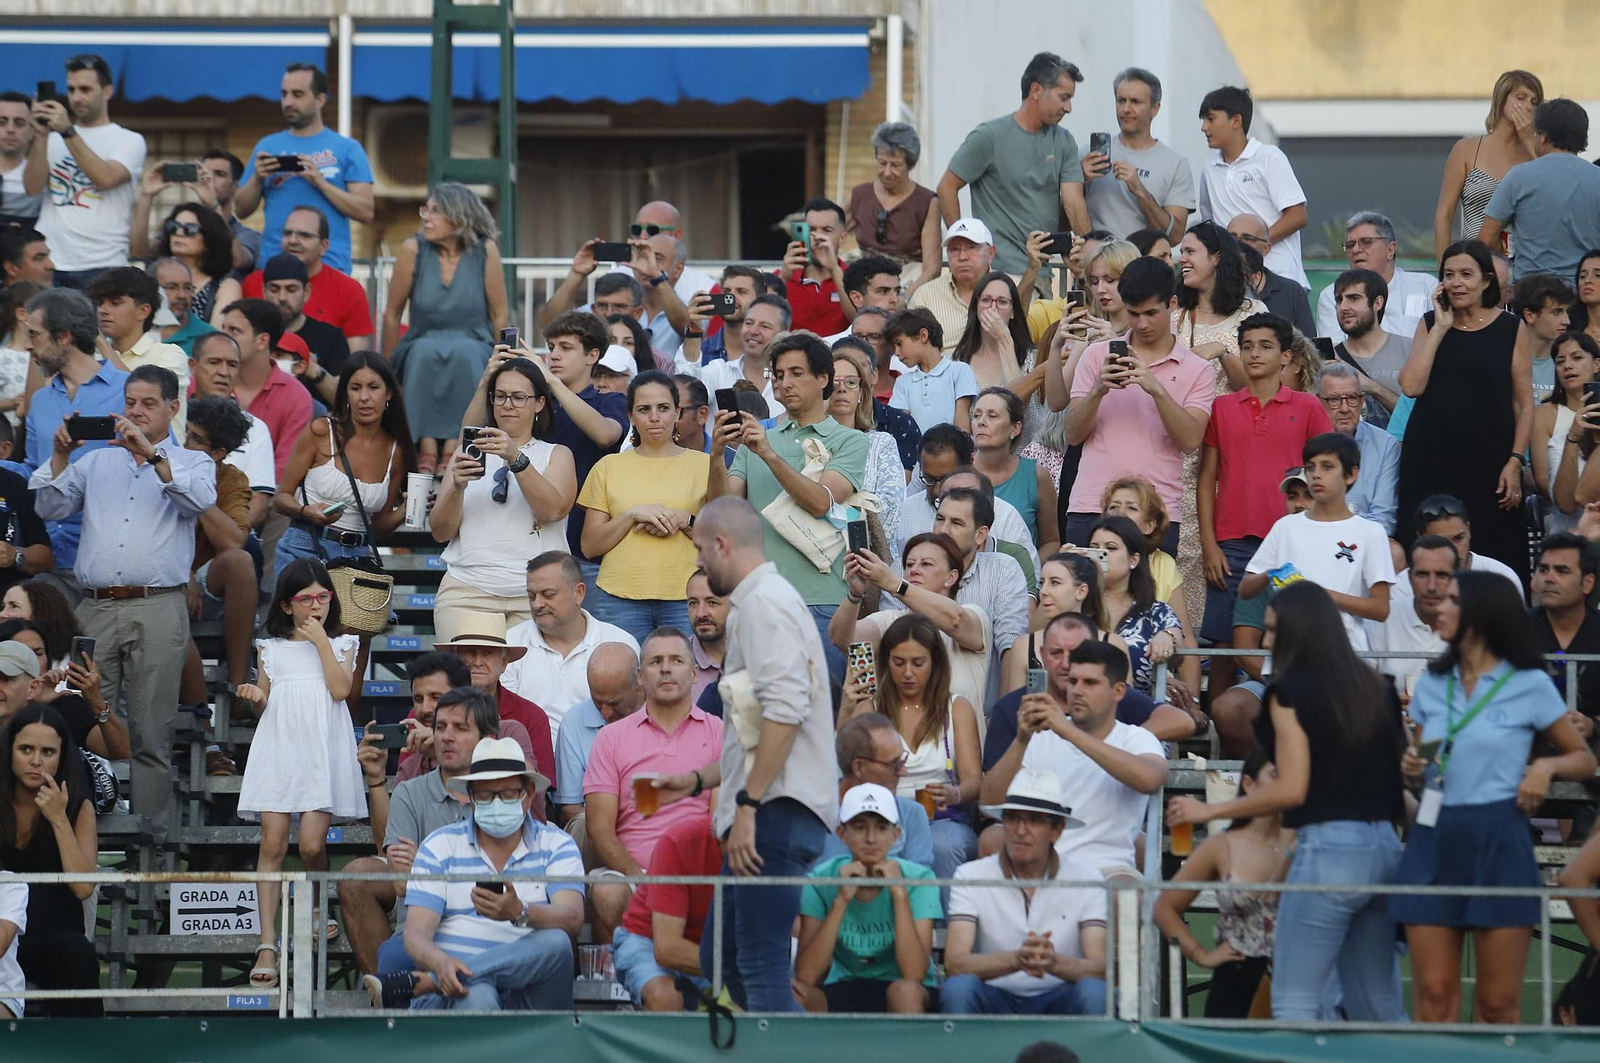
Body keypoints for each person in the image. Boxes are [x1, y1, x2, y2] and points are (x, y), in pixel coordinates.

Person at [1167, 580, 1408, 1021]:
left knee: (1294, 1003)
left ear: (1303, 633)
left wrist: (1211, 810)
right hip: (1387, 852)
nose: (1265, 640)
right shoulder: (1380, 687)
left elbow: (1292, 788)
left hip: (1330, 852)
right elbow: (1398, 786)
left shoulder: (1288, 692)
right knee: (1379, 1006)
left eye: (1275, 630)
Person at [652, 496, 837, 1013]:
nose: (697, 565)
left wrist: (750, 806)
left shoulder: (762, 605)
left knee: (757, 966)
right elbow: (761, 730)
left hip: (774, 812)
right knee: (723, 960)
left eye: (697, 552)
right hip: (769, 807)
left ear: (722, 545)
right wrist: (697, 781)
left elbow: (785, 714)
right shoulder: (763, 603)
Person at [1396, 571, 1594, 1024]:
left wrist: (1544, 767)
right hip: (1434, 834)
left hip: (1499, 836)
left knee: (1498, 1003)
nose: (1437, 606)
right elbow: (1428, 753)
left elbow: (1581, 758)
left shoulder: (1528, 682)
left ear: (1482, 615)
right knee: (1433, 995)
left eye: (1450, 600)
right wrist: (1414, 761)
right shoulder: (1431, 681)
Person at [30, 364, 215, 833]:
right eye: (130, 402)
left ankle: (150, 843)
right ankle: (76, 828)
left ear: (174, 408)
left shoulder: (194, 462)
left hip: (158, 604)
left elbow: (197, 502)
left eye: (149, 403)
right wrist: (58, 455)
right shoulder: (95, 461)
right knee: (75, 718)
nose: (136, 411)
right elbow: (48, 506)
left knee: (153, 731)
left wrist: (152, 456)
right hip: (92, 607)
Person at [231, 558, 363, 987]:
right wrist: (254, 695)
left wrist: (322, 642)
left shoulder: (344, 644)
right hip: (280, 748)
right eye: (305, 599)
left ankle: (316, 904)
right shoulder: (270, 647)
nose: (316, 605)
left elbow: (341, 690)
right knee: (272, 843)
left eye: (323, 596)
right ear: (287, 606)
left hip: (322, 751)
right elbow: (264, 702)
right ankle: (267, 942)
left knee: (309, 846)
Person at [708, 333, 868, 681]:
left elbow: (821, 502)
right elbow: (722, 512)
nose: (785, 383)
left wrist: (767, 453)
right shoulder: (756, 441)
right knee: (758, 717)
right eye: (779, 375)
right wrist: (717, 455)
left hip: (823, 603)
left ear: (823, 379)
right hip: (759, 602)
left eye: (796, 373)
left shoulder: (851, 440)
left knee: (828, 716)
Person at [401, 736, 584, 1012]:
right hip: (455, 994)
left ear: (529, 794)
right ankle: (447, 979)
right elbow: (415, 934)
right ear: (471, 798)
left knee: (557, 942)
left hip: (533, 994)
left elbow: (572, 918)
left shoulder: (556, 844)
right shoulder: (440, 846)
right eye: (486, 796)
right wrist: (441, 964)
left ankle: (431, 981)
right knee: (478, 995)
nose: (497, 804)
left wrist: (520, 912)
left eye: (508, 793)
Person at [1199, 314, 1331, 679]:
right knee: (1227, 646)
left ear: (1287, 356)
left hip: (1294, 540)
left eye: (1265, 346)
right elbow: (1206, 478)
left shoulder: (1308, 407)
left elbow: (1325, 475)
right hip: (1233, 545)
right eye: (1246, 346)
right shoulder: (1221, 408)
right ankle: (1220, 730)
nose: (1254, 354)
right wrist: (1210, 545)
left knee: (1294, 633)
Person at [1397, 239, 1533, 576]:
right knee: (1431, 551)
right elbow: (1411, 386)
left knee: (1495, 551)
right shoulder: (1431, 323)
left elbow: (1525, 404)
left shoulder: (1511, 328)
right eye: (1449, 274)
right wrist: (1441, 328)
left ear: (1486, 280)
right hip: (1431, 460)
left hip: (1492, 462)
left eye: (1466, 274)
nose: (1457, 282)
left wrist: (1516, 461)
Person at [1064, 257, 1215, 553]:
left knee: (1151, 599)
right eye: (1133, 314)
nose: (1142, 324)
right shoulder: (1096, 356)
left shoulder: (1198, 369)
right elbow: (1072, 435)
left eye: (1151, 313)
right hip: (1091, 505)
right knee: (1085, 597)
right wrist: (1098, 389)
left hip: (1155, 513)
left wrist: (1155, 388)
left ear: (1172, 303)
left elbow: (1190, 441)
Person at [582, 627, 723, 942]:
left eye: (676, 660)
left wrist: (682, 882)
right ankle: (617, 984)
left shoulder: (720, 733)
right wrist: (643, 881)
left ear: (696, 673)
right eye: (656, 661)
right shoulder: (610, 738)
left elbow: (718, 823)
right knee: (606, 891)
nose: (666, 669)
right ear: (640, 678)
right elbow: (599, 829)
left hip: (698, 874)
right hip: (633, 875)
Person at [982, 638, 1168, 875]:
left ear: (1119, 691)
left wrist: (1069, 731)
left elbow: (1151, 779)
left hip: (1108, 868)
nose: (1077, 691)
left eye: (1089, 683)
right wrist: (1020, 740)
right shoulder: (1039, 736)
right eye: (1073, 681)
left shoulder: (1134, 738)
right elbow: (989, 803)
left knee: (1125, 893)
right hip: (1038, 866)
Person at [347, 681, 487, 990]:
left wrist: (422, 863)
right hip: (421, 932)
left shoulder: (499, 794)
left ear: (486, 740)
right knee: (393, 956)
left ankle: (429, 984)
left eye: (460, 728)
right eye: (440, 727)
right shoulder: (408, 793)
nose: (446, 737)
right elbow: (400, 883)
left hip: (484, 928)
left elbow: (498, 883)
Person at [467, 313, 627, 575]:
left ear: (592, 356)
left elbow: (605, 435)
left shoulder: (609, 401)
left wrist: (549, 379)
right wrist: (488, 379)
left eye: (566, 348)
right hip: (527, 540)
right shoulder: (532, 401)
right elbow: (470, 434)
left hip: (585, 543)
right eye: (551, 347)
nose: (554, 355)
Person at [941, 768, 1108, 1016]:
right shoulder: (970, 876)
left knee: (1095, 992)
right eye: (1013, 818)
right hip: (994, 996)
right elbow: (954, 963)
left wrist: (1055, 964)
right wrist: (1017, 959)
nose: (1020, 830)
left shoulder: (1088, 879)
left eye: (1034, 820)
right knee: (958, 988)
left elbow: (1101, 967)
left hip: (1060, 996)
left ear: (1057, 830)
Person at [431, 356, 574, 641]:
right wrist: (457, 487)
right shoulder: (467, 451)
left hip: (535, 595)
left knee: (529, 686)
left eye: (519, 397)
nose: (508, 404)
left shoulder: (556, 454)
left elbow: (553, 511)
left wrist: (515, 458)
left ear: (539, 404)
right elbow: (440, 532)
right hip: (467, 590)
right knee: (467, 684)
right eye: (501, 396)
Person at [836, 611, 981, 881]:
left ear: (935, 663)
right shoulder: (871, 705)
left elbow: (974, 781)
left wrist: (954, 794)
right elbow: (840, 765)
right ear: (886, 662)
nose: (908, 673)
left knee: (943, 846)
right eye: (899, 663)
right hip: (879, 817)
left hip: (941, 817)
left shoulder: (956, 707)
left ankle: (942, 924)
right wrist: (846, 709)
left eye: (918, 663)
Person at [578, 371, 719, 643]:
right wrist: (631, 515)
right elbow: (589, 546)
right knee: (622, 679)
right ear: (631, 416)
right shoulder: (608, 467)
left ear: (677, 413)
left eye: (663, 408)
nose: (654, 417)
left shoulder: (706, 465)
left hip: (687, 596)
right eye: (644, 409)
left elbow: (721, 541)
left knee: (686, 678)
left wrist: (685, 521)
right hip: (618, 597)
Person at [1153, 749, 1291, 1018]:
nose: (1286, 786)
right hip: (1237, 976)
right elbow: (1164, 908)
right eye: (1276, 776)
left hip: (1300, 979)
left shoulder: (1307, 841)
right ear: (1249, 784)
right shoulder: (1222, 845)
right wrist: (1201, 955)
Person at [384, 183, 508, 472]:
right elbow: (392, 314)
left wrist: (506, 362)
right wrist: (385, 368)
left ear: (459, 217)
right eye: (424, 210)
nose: (425, 217)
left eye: (435, 211)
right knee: (425, 352)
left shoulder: (485, 251)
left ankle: (456, 443)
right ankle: (425, 444)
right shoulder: (412, 249)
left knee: (466, 354)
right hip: (421, 340)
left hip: (474, 340)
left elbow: (500, 316)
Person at [938, 53, 1089, 276]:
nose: (1069, 108)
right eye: (1063, 98)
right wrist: (966, 246)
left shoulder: (1065, 141)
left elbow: (1074, 203)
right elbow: (946, 188)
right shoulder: (989, 136)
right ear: (1036, 91)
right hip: (997, 274)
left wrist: (1095, 256)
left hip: (1041, 273)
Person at [796, 782, 940, 1014]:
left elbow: (914, 973)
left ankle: (907, 1051)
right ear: (842, 834)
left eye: (882, 828)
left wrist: (899, 895)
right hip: (843, 984)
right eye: (860, 827)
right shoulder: (820, 879)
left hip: (900, 987)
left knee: (905, 992)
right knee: (797, 994)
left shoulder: (920, 879)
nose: (871, 838)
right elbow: (807, 975)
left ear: (896, 835)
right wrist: (841, 901)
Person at [1240, 432, 1394, 648]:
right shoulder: (1286, 527)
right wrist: (1272, 572)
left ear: (1350, 475)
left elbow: (1380, 608)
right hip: (1288, 654)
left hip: (1344, 653)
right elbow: (1246, 589)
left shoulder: (1370, 532)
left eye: (1327, 467)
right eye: (1310, 467)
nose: (1316, 475)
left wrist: (1320, 596)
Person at [271, 352, 413, 581]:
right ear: (345, 394)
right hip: (305, 548)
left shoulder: (396, 451)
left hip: (357, 558)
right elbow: (281, 498)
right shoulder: (320, 430)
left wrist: (405, 510)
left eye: (373, 387)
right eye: (355, 388)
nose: (364, 397)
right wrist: (306, 511)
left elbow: (376, 526)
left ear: (389, 393)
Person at [0, 704, 100, 1016]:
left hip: (54, 936)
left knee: (77, 956)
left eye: (47, 752)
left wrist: (58, 819)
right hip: (2, 931)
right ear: (9, 751)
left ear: (62, 757)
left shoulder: (78, 808)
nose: (35, 761)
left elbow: (83, 888)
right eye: (25, 749)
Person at [234, 63, 374, 274]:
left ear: (320, 100)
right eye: (284, 94)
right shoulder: (266, 146)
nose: (288, 102)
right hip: (274, 269)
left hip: (330, 268)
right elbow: (241, 210)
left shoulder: (347, 149)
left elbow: (366, 211)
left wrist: (320, 183)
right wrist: (257, 178)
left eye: (297, 94)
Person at [833, 531, 993, 711]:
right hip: (896, 737)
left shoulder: (974, 615)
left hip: (958, 736)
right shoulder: (891, 620)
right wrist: (855, 594)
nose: (914, 570)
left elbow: (956, 620)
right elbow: (846, 642)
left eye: (926, 564)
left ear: (951, 577)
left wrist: (894, 584)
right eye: (909, 565)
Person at [22, 54, 146, 287]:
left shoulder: (129, 140)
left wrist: (67, 131)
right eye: (71, 89)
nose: (76, 98)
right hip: (52, 260)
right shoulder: (53, 138)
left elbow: (106, 178)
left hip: (104, 263)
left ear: (107, 91)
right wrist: (40, 136)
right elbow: (32, 188)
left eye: (85, 89)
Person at [500, 551, 640, 740]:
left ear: (579, 593)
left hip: (599, 758)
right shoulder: (511, 644)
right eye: (531, 596)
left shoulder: (620, 645)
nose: (537, 604)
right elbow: (507, 722)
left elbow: (631, 719)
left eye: (548, 594)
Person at [181, 395, 263, 695]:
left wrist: (192, 486)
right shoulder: (157, 461)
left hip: (204, 584)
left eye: (195, 439)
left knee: (240, 561)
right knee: (167, 601)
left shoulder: (230, 479)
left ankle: (238, 686)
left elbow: (233, 541)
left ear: (217, 453)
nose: (184, 442)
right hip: (162, 575)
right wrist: (181, 573)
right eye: (185, 432)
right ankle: (199, 716)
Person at [1196, 85, 1308, 290]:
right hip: (1231, 284)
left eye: (1210, 119)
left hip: (1278, 278)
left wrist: (1252, 245)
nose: (1204, 127)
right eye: (1203, 120)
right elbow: (1210, 224)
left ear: (1236, 121)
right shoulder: (1208, 168)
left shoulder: (1269, 157)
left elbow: (1297, 216)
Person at [1480, 99, 1600, 283]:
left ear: (1543, 137)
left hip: (1530, 292)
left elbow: (1486, 239)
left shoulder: (1519, 176)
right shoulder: (1596, 177)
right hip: (1584, 293)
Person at [1435, 70, 1543, 259]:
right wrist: (1444, 266)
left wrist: (1529, 140)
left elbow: (1551, 185)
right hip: (1474, 262)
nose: (1528, 107)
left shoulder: (1537, 153)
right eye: (1521, 98)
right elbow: (1445, 214)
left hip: (1523, 265)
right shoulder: (1467, 149)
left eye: (1534, 102)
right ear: (1502, 101)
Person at [1083, 67, 1194, 243]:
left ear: (1155, 108)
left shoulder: (1175, 164)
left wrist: (1139, 190)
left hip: (1143, 266)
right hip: (1097, 265)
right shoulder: (1088, 155)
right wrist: (1081, 181)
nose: (1126, 109)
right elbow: (1062, 222)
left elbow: (1175, 236)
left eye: (1135, 102)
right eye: (1121, 100)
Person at [240, 206, 374, 347]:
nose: (293, 240)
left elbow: (356, 359)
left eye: (304, 236)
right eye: (287, 233)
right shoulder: (254, 282)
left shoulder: (349, 291)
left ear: (324, 246)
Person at [1088, 516, 1192, 696]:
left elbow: (1178, 655)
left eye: (1110, 548)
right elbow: (1035, 630)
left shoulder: (1154, 611)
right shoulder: (1074, 605)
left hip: (1135, 712)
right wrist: (1066, 568)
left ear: (1133, 560)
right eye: (1094, 548)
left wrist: (1166, 638)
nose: (1100, 556)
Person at [217, 297, 313, 483]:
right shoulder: (201, 382)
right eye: (223, 329)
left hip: (269, 498)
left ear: (262, 341)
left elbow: (285, 469)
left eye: (234, 331)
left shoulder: (296, 397)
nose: (223, 338)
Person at [820, 713, 934, 867]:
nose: (903, 771)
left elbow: (921, 887)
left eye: (902, 761)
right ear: (859, 767)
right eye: (893, 764)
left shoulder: (912, 815)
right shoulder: (815, 813)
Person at [87, 266, 192, 432]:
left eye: (115, 303)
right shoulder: (91, 357)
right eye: (100, 303)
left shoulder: (169, 355)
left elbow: (139, 396)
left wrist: (100, 342)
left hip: (161, 456)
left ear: (143, 311)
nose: (103, 310)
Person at [553, 643, 642, 833]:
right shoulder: (574, 721)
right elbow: (570, 808)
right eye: (596, 701)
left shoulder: (662, 714)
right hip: (597, 829)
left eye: (614, 703)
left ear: (639, 682)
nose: (604, 712)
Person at [845, 122, 940, 293]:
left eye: (895, 165)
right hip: (864, 287)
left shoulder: (927, 202)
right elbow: (830, 229)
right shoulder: (860, 195)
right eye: (882, 163)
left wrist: (904, 298)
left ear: (910, 165)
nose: (887, 172)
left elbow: (932, 268)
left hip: (907, 285)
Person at [1172, 220, 1262, 393]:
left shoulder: (1252, 313)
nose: (1182, 259)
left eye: (1190, 252)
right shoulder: (1176, 317)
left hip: (1235, 417)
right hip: (1189, 417)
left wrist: (1222, 352)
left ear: (1216, 257)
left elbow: (1256, 385)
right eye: (1182, 252)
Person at [1318, 214, 1437, 344]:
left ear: (1390, 249)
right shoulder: (1333, 296)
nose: (1356, 250)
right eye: (1350, 245)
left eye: (1366, 242)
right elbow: (1334, 355)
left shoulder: (1425, 286)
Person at [828, 343, 906, 543]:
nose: (842, 388)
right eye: (834, 382)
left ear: (862, 393)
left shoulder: (882, 443)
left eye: (851, 382)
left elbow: (891, 510)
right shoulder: (807, 441)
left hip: (869, 556)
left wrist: (830, 504)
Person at [1312, 362, 1401, 534]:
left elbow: (1384, 518)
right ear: (1318, 401)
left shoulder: (1384, 444)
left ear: (1362, 401)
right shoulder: (1303, 440)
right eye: (1334, 400)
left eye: (1352, 398)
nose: (1345, 409)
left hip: (1363, 543)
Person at [1364, 535, 1456, 692]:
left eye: (1441, 575)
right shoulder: (1381, 620)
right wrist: (1391, 705)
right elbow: (1363, 689)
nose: (1431, 586)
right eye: (1422, 575)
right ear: (1409, 578)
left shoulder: (1475, 624)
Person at [972, 387, 1058, 555]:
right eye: (976, 415)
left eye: (992, 415)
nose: (981, 422)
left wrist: (1031, 572)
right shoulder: (958, 472)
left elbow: (1051, 542)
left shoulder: (1036, 476)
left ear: (1015, 428)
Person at [1323, 269, 1411, 429]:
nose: (1343, 307)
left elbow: (1420, 417)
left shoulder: (1410, 350)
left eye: (1353, 299)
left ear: (1377, 303)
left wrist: (1373, 388)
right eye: (1339, 300)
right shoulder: (1329, 359)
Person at [1528, 532, 1600, 726]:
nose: (1549, 578)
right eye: (1543, 569)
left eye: (1561, 571)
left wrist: (1593, 725)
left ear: (1587, 583)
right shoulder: (1514, 629)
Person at [1536, 332, 1600, 532]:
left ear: (1597, 365)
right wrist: (1573, 437)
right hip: (1570, 537)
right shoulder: (1559, 436)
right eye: (1560, 361)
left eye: (1577, 357)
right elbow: (1566, 502)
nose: (1568, 366)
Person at [907, 217, 996, 355]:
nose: (962, 257)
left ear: (991, 253)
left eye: (971, 248)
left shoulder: (1010, 289)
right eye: (954, 249)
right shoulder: (924, 296)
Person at [145, 199, 241, 325]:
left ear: (210, 238)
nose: (178, 233)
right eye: (173, 227)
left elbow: (218, 338)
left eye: (190, 229)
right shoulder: (152, 275)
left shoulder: (226, 286)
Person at [885, 308, 977, 432]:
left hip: (954, 449)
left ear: (923, 335)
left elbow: (962, 422)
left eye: (899, 343)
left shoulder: (959, 371)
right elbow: (901, 428)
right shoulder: (903, 382)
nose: (896, 353)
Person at [776, 198, 853, 336]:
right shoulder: (783, 276)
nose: (817, 237)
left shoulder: (855, 277)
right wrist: (782, 280)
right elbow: (764, 322)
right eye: (811, 230)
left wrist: (834, 270)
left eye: (826, 230)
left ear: (841, 239)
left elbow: (858, 321)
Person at [1230, 220, 1314, 339]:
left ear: (1266, 248)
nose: (1238, 244)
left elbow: (1308, 345)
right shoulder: (1210, 291)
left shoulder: (1291, 292)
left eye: (1247, 239)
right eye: (1231, 238)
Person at [1510, 273, 1576, 402]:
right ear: (1530, 315)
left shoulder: (1570, 363)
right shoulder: (1505, 358)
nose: (1566, 321)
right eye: (1557, 312)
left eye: (1566, 312)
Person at [683, 569, 729, 707]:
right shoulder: (674, 663)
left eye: (712, 603)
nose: (701, 613)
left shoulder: (758, 659)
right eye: (693, 603)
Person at [152, 258, 215, 356]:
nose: (182, 295)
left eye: (187, 288)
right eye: (172, 287)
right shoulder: (133, 330)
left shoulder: (209, 338)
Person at [0, 91, 39, 228]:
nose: (10, 129)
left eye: (19, 123)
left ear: (32, 131)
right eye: (2, 122)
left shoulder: (41, 181)